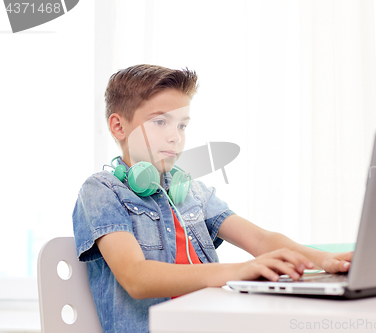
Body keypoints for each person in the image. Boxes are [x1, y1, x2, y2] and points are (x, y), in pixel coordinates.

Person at [73, 64, 352, 332]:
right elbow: (136, 277)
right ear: (119, 127)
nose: (175, 137)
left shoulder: (192, 192)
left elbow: (260, 240)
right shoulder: (102, 190)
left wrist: (327, 261)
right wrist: (240, 271)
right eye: (160, 122)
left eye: (182, 125)